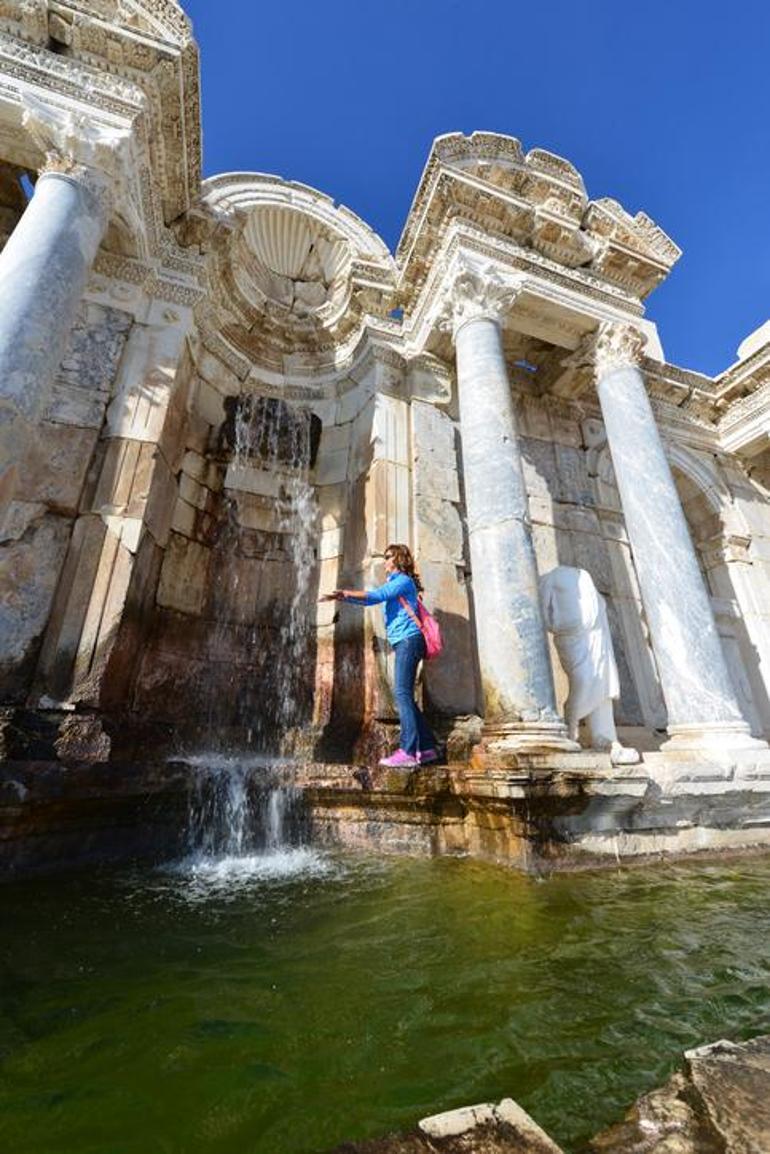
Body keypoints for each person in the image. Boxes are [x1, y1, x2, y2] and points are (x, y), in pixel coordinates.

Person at [320, 543, 438, 768]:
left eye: (388, 557)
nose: (385, 561)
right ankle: (428, 747)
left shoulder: (403, 580)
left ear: (398, 559)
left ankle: (409, 751)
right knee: (405, 696)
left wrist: (345, 593)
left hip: (408, 641)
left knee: (402, 694)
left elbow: (377, 596)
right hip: (404, 642)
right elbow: (375, 598)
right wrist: (343, 598)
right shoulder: (397, 583)